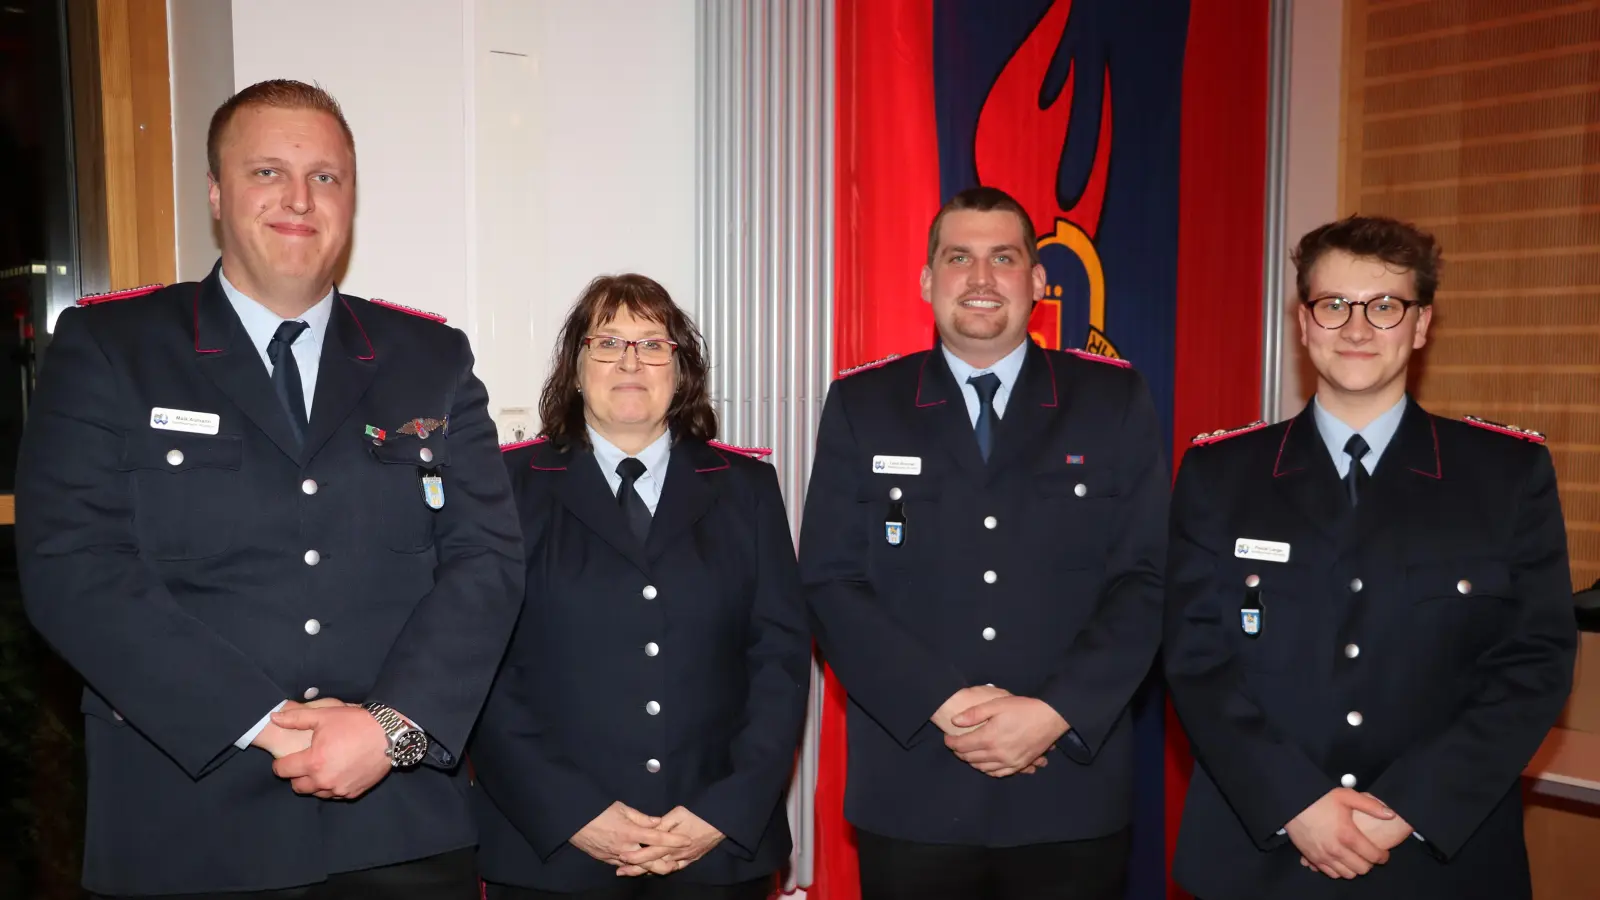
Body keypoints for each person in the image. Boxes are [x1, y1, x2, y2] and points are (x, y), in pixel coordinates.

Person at [15, 79, 523, 898]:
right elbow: (73, 566)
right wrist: (262, 721)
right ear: (216, 194)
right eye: (266, 173)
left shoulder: (430, 359)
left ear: (351, 198)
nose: (298, 198)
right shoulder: (113, 347)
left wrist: (388, 729)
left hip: (396, 828)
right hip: (186, 824)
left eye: (325, 176)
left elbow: (486, 564)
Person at [1164, 215, 1577, 900]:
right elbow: (1195, 659)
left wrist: (1408, 808)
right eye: (1334, 306)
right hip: (1260, 855)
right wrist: (1296, 803)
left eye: (1385, 307)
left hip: (1440, 857)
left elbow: (1535, 663)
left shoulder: (1506, 475)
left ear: (1422, 326)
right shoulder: (1219, 473)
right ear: (1303, 323)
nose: (1357, 329)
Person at [796, 186, 1169, 900]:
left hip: (1068, 787)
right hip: (915, 788)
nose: (980, 278)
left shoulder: (1110, 402)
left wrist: (1049, 714)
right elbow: (830, 581)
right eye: (958, 257)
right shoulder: (864, 405)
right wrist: (948, 705)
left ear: (1037, 281)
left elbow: (1145, 579)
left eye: (1004, 258)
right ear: (928, 281)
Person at [471, 274, 812, 900]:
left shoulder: (747, 489)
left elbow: (780, 666)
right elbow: (481, 672)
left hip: (712, 851)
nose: (631, 361)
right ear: (575, 367)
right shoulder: (506, 487)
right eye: (607, 342)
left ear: (680, 372)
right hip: (551, 852)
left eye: (654, 344)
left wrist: (723, 813)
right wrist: (573, 813)